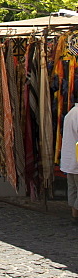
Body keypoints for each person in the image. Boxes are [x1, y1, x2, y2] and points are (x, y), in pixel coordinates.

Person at [60, 96, 78, 224]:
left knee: (73, 188)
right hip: (76, 159)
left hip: (70, 158)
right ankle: (75, 212)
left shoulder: (71, 112)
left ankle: (74, 214)